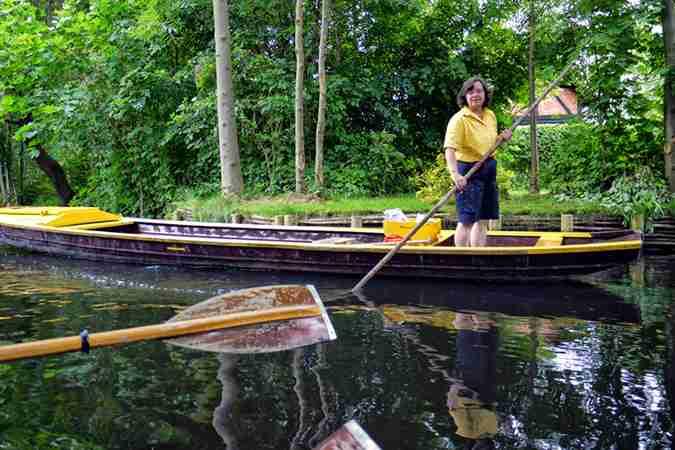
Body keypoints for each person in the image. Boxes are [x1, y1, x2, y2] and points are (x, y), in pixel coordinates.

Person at [443, 77, 512, 247]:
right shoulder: (459, 119)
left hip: (488, 168)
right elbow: (449, 149)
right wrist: (455, 175)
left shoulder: (490, 115)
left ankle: (478, 256)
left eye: (479, 91)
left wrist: (501, 139)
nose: (475, 94)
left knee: (482, 219)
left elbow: (488, 143)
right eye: (471, 91)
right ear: (465, 95)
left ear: (485, 94)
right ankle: (462, 260)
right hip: (468, 172)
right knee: (467, 219)